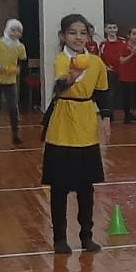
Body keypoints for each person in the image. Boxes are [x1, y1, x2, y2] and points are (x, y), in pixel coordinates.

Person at [42, 14, 112, 254]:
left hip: (85, 126)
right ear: (63, 36)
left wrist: (106, 117)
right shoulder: (61, 60)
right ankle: (60, 238)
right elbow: (60, 86)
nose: (78, 37)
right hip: (62, 126)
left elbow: (102, 92)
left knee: (85, 187)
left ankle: (86, 236)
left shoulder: (96, 62)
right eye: (72, 33)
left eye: (83, 33)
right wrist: (72, 74)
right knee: (59, 188)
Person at [0, 19, 27, 147]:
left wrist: (18, 69)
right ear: (8, 30)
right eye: (13, 30)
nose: (16, 33)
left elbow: (22, 62)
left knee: (13, 108)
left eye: (18, 31)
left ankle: (15, 135)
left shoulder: (20, 47)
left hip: (10, 81)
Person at [98, 21, 126, 123]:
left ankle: (128, 115)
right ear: (105, 30)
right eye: (109, 28)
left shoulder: (123, 42)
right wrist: (106, 68)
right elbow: (99, 58)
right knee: (110, 94)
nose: (112, 30)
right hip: (110, 72)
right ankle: (110, 115)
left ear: (117, 29)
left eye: (114, 27)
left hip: (123, 72)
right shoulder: (103, 44)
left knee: (125, 93)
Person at [118, 26, 136, 125]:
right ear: (128, 36)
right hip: (126, 76)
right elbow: (122, 61)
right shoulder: (124, 46)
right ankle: (127, 116)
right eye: (134, 34)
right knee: (127, 98)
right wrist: (132, 55)